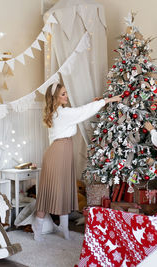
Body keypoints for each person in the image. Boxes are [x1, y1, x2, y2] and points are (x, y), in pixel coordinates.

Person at [32, 83, 121, 240]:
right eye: (63, 94)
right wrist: (108, 100)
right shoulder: (63, 113)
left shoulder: (57, 112)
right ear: (56, 98)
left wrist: (95, 102)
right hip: (59, 152)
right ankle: (40, 230)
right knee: (51, 192)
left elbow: (79, 112)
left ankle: (63, 230)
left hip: (61, 151)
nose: (66, 96)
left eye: (66, 93)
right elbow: (82, 112)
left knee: (63, 191)